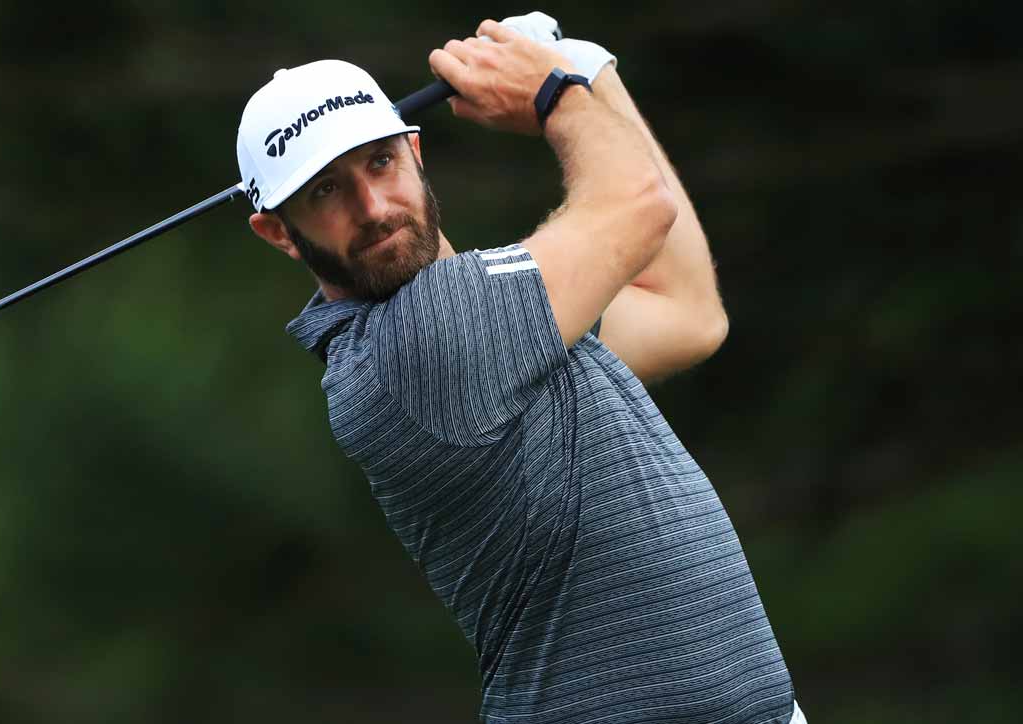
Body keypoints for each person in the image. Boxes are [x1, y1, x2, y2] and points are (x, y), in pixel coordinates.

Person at [237, 13, 804, 724]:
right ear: (276, 231)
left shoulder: (510, 316)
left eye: (379, 161)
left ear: (416, 150)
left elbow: (686, 310)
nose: (373, 207)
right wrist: (557, 92)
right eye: (324, 191)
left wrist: (588, 71)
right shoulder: (419, 344)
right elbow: (638, 204)